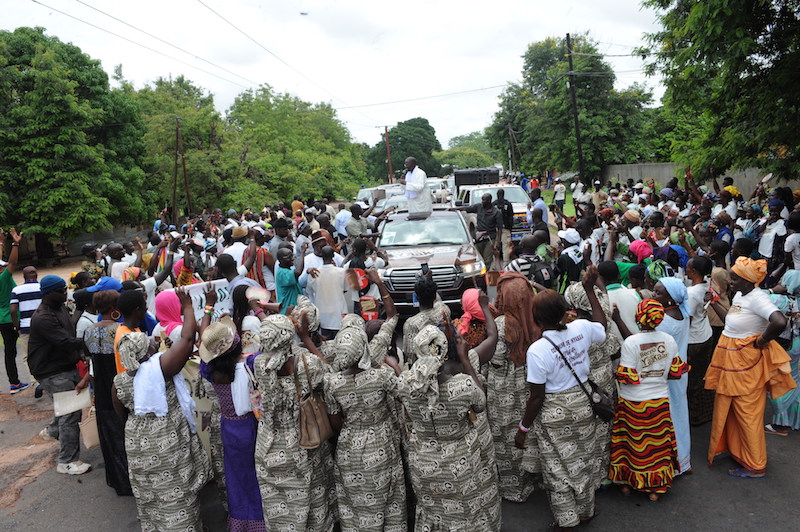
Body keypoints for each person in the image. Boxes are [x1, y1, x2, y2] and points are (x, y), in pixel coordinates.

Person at [112, 289, 211, 530]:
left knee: (152, 493)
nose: (154, 346)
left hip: (138, 443)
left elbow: (120, 413)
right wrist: (188, 306)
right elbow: (187, 339)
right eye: (150, 346)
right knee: (177, 491)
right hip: (167, 441)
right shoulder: (160, 369)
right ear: (145, 352)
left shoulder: (119, 382)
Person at [516, 268, 607, 531]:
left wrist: (523, 429)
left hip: (555, 414)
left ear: (536, 319)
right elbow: (602, 326)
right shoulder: (581, 328)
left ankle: (567, 520)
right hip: (584, 404)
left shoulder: (537, 350)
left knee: (558, 470)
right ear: (566, 311)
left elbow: (536, 397)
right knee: (583, 461)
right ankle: (586, 511)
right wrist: (589, 290)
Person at [397, 321, 500, 531]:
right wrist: (465, 359)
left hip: (422, 462)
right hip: (460, 462)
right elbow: (481, 404)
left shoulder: (405, 385)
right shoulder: (463, 386)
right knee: (465, 514)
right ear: (444, 351)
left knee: (432, 511)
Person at [704, 257, 795, 478]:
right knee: (731, 409)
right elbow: (730, 322)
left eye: (734, 279)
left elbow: (779, 322)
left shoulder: (758, 298)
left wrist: (761, 341)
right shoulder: (739, 295)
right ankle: (738, 451)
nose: (731, 282)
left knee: (748, 413)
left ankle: (755, 465)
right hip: (730, 361)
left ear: (747, 281)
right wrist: (714, 302)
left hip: (746, 364)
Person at [251, 313, 336, 532]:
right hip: (304, 443)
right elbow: (331, 375)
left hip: (269, 447)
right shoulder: (307, 364)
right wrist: (305, 337)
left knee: (279, 508)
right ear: (289, 337)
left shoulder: (259, 363)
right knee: (314, 502)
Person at [322, 316, 406, 532]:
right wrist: (396, 368)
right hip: (382, 444)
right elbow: (405, 397)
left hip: (348, 449)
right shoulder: (381, 376)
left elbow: (335, 423)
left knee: (353, 504)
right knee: (390, 501)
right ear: (363, 348)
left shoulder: (332, 383)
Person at [610, 299, 688, 501]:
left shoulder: (631, 343)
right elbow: (675, 374)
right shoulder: (669, 341)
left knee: (631, 444)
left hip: (633, 403)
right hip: (659, 402)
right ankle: (655, 488)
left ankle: (627, 483)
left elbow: (626, 377)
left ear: (639, 317)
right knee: (657, 447)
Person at [199, 316, 265, 531]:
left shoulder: (211, 371)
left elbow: (205, 355)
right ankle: (258, 521)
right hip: (249, 426)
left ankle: (239, 521)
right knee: (255, 475)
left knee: (235, 477)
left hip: (228, 427)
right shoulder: (251, 365)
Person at [28, 275, 90, 475]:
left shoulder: (59, 307)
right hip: (51, 370)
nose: (66, 292)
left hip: (64, 364)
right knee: (70, 412)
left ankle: (52, 431)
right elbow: (64, 341)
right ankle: (67, 461)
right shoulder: (43, 317)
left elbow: (69, 329)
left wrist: (81, 354)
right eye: (61, 290)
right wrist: (93, 340)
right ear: (49, 293)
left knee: (70, 407)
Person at [489, 272, 539, 502]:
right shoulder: (535, 318)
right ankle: (534, 480)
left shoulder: (502, 324)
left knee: (507, 436)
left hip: (504, 390)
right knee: (527, 430)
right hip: (530, 386)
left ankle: (514, 489)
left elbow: (496, 360)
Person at [82, 290, 132, 495]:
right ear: (115, 308)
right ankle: (132, 480)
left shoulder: (88, 331)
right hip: (121, 390)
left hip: (102, 391)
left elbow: (91, 365)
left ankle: (118, 481)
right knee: (126, 436)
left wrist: (94, 390)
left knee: (110, 438)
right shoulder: (121, 331)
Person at [651, 276, 692, 475]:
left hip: (667, 375)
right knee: (679, 413)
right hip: (680, 371)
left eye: (658, 293)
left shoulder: (663, 321)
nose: (653, 295)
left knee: (667, 418)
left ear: (670, 299)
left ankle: (670, 463)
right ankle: (683, 460)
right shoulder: (682, 313)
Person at [765, 270, 800, 434]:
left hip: (781, 347)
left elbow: (756, 296)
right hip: (796, 344)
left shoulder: (778, 300)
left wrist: (772, 289)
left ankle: (780, 424)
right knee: (793, 381)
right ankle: (795, 420)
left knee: (777, 382)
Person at [685, 256, 716, 426]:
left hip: (693, 340)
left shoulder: (691, 293)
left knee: (691, 380)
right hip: (705, 334)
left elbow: (687, 320)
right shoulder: (707, 284)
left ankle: (693, 414)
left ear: (695, 271)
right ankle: (704, 410)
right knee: (701, 374)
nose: (686, 269)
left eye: (688, 267)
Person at [0, 228, 28, 393]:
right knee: (29, 347)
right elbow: (12, 263)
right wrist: (15, 244)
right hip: (14, 319)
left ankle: (14, 383)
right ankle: (37, 380)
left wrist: (1, 243)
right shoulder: (4, 278)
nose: (5, 267)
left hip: (2, 320)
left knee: (9, 352)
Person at [401, 276, 450, 365]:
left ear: (416, 297)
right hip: (444, 360)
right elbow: (438, 300)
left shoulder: (412, 323)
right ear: (434, 295)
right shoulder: (444, 310)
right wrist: (429, 280)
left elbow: (411, 356)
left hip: (425, 367)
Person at [10, 265, 41, 392]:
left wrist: (17, 326)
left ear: (23, 276)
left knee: (27, 356)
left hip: (26, 326)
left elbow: (13, 310)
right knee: (45, 351)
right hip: (43, 325)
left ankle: (35, 382)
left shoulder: (17, 290)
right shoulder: (43, 287)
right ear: (36, 274)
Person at [457, 193, 504, 270]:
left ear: (489, 201)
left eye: (484, 200)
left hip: (489, 238)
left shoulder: (496, 212)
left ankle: (485, 273)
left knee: (487, 260)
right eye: (482, 200)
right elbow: (466, 208)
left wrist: (497, 242)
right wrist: (454, 209)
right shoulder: (479, 207)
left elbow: (499, 228)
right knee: (477, 258)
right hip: (478, 237)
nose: (482, 202)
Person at [493, 188, 514, 267]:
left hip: (495, 229)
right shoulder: (508, 204)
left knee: (495, 246)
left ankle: (495, 265)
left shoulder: (493, 204)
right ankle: (505, 265)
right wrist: (510, 229)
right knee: (506, 247)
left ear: (497, 195)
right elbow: (511, 217)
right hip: (505, 228)